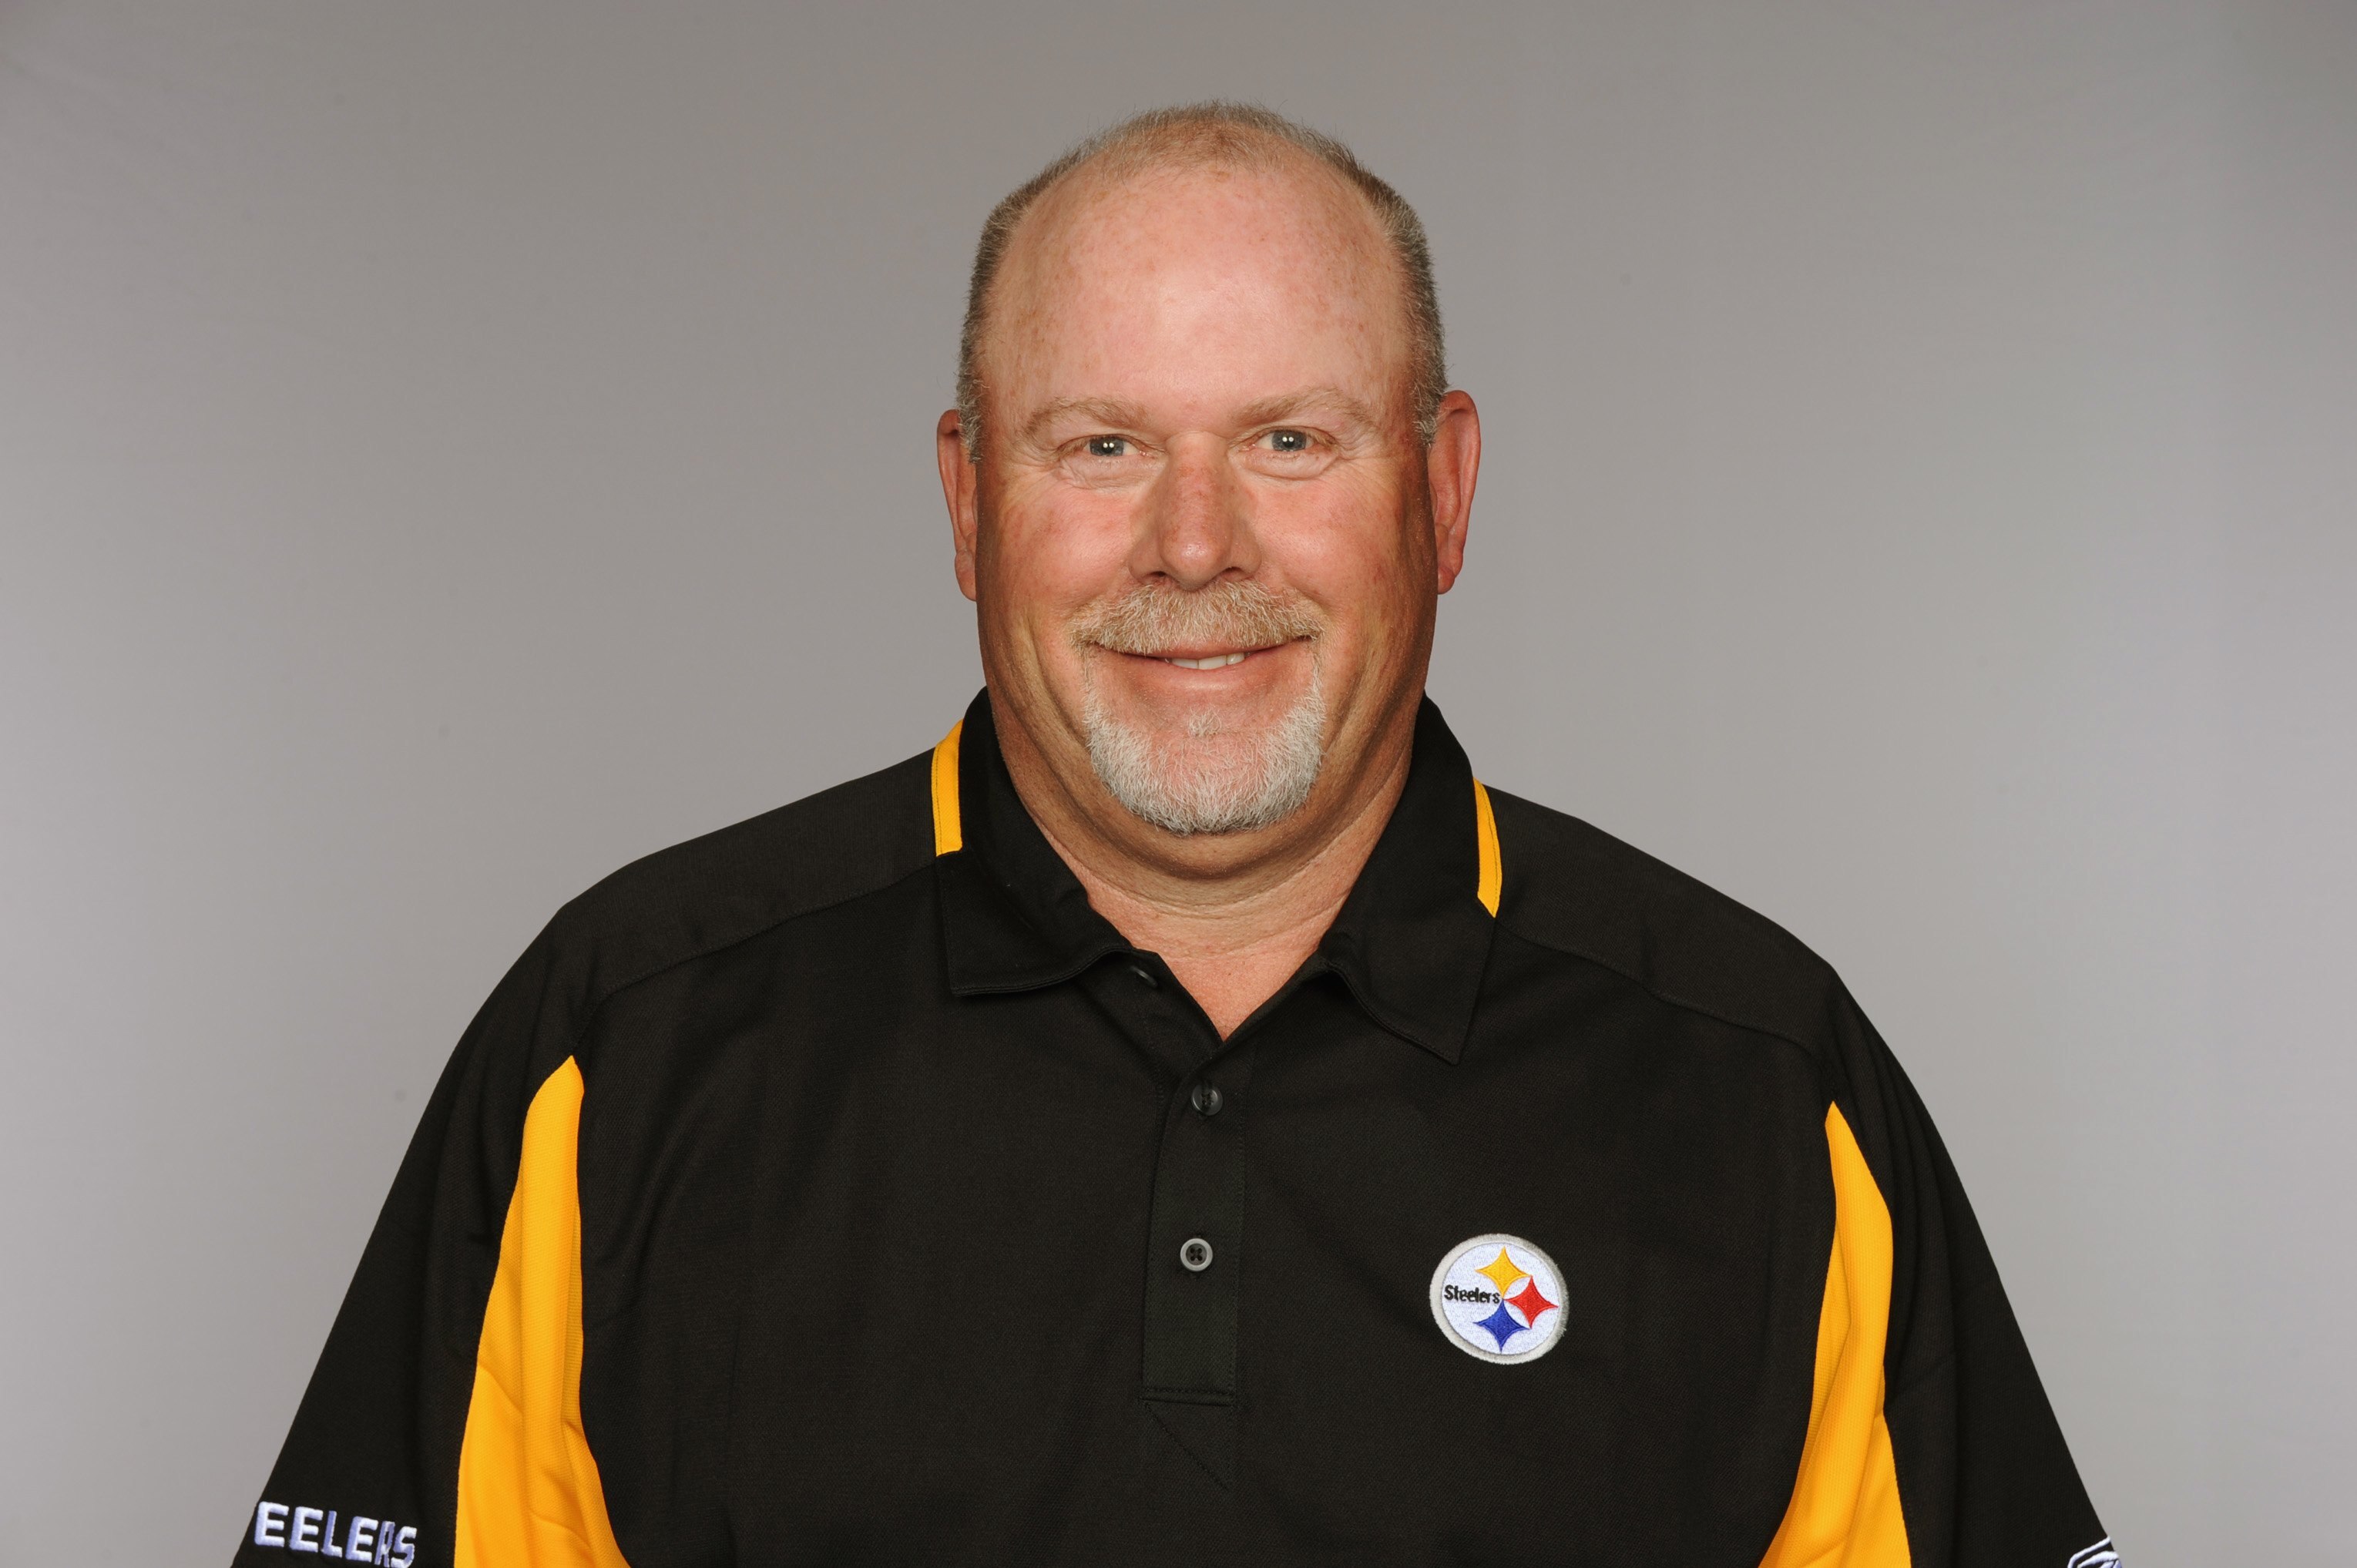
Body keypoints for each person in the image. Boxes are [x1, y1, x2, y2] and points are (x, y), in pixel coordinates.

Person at [233, 103, 2117, 1568]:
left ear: (1442, 490)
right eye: (1101, 446)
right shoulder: (629, 1043)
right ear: (970, 500)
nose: (1195, 545)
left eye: (1292, 442)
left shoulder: (1756, 1078)